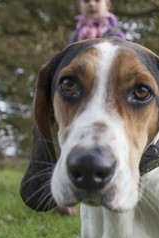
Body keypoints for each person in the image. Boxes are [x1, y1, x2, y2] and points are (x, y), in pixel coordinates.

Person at [56, 0, 125, 216]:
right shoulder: (75, 37)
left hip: (112, 102)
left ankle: (118, 187)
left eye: (98, 0)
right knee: (69, 140)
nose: (92, 4)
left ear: (108, 4)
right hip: (78, 102)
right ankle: (66, 195)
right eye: (86, 0)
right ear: (79, 5)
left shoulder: (115, 33)